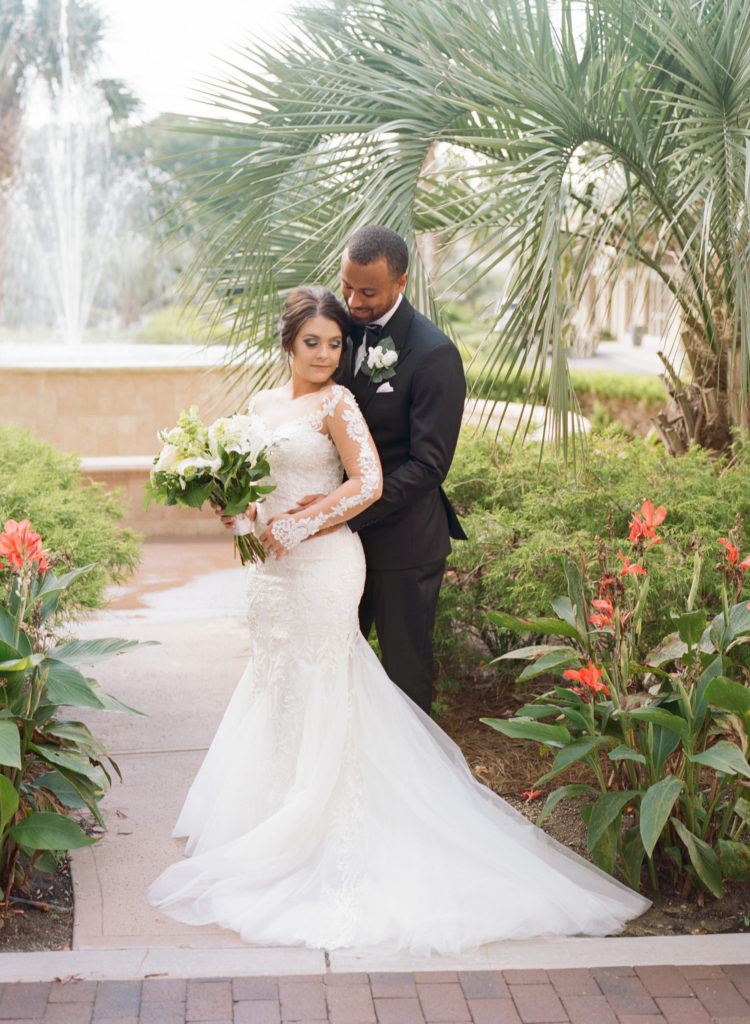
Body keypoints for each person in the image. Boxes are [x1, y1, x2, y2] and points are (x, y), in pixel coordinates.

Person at [148, 284, 650, 951]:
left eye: (334, 343)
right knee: (278, 680)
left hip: (324, 563)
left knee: (330, 679)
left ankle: (326, 824)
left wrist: (307, 526)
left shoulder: (339, 402)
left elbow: (370, 483)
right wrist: (237, 514)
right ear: (287, 342)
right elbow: (254, 486)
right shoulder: (262, 405)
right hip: (270, 576)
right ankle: (274, 811)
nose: (326, 353)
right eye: (312, 342)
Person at [340, 225, 466, 714]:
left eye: (367, 292)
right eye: (347, 285)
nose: (353, 300)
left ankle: (416, 783)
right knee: (331, 663)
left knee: (403, 677)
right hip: (337, 545)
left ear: (401, 283)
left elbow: (428, 465)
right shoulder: (336, 329)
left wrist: (347, 510)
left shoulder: (434, 354)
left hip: (403, 544)